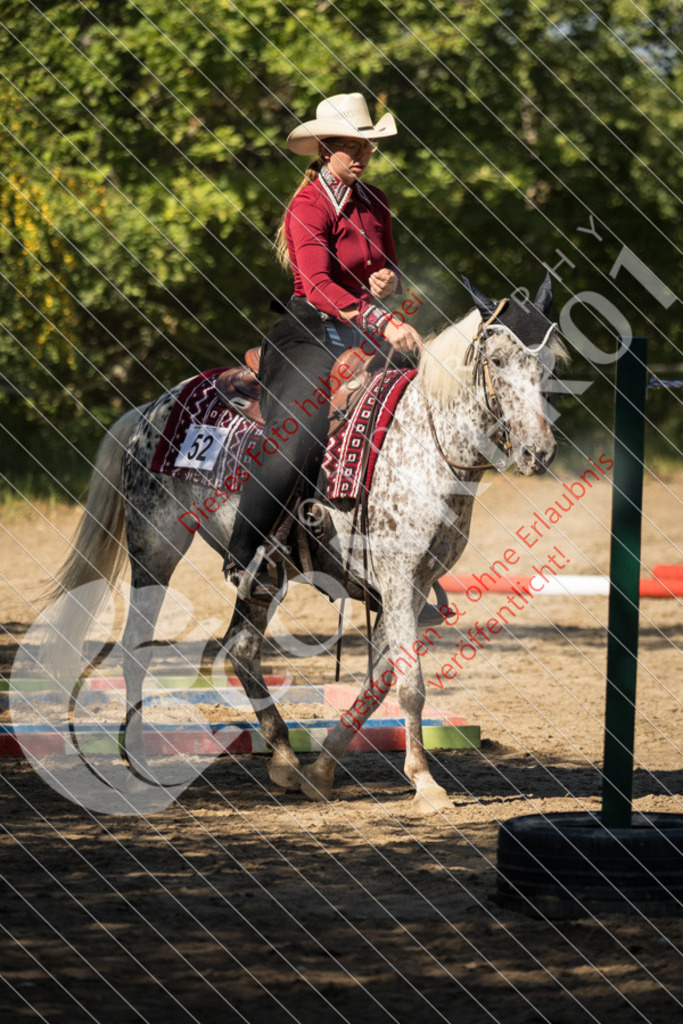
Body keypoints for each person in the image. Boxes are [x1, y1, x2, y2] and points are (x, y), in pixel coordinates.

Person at [228, 92, 422, 602]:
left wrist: (386, 281)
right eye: (346, 146)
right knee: (298, 432)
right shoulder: (306, 205)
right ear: (322, 148)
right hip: (309, 331)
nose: (359, 156)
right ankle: (243, 555)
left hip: (363, 328)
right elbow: (315, 285)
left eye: (365, 147)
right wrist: (382, 318)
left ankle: (406, 559)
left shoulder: (375, 200)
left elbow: (391, 271)